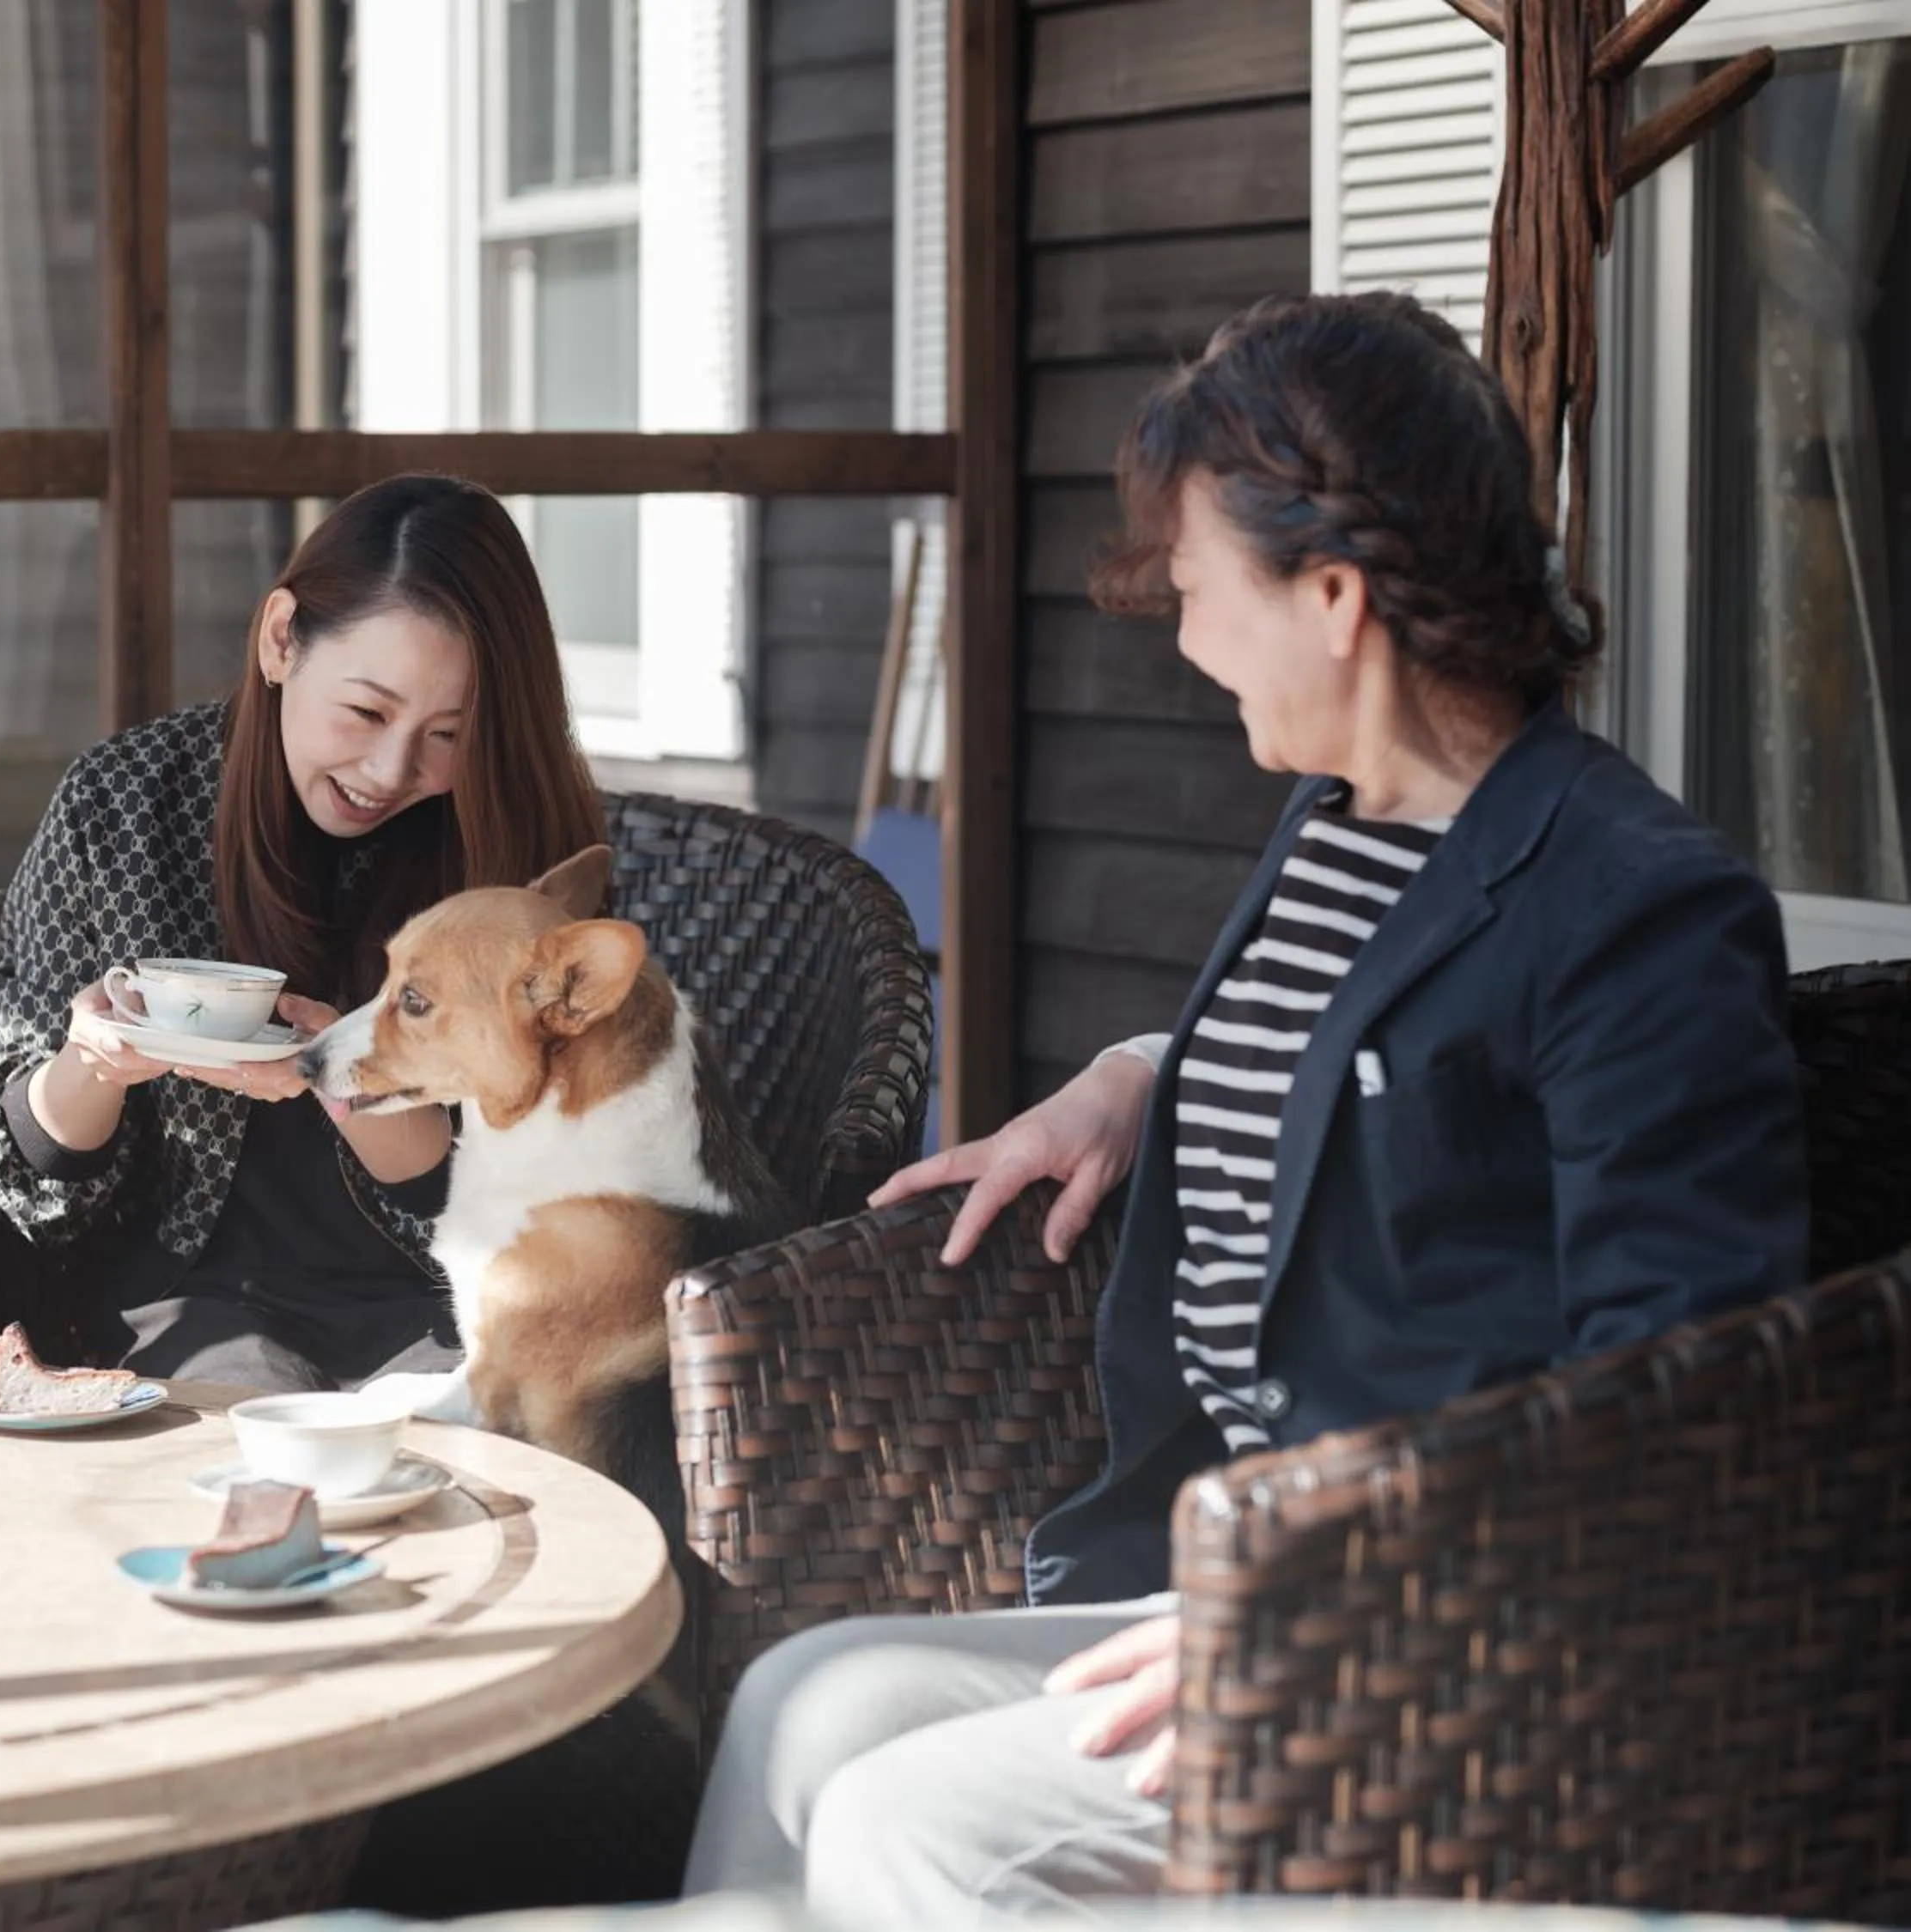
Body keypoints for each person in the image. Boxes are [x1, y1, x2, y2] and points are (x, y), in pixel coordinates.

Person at [681, 292, 1810, 1927]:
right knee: (811, 1698)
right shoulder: (1347, 819)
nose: (1189, 636)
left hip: (1444, 1643)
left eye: (1205, 588)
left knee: (910, 1829)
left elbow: (1683, 1391)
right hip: (1224, 1561)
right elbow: (1382, 1047)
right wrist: (1145, 1078)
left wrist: (1334, 1604)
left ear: (1335, 597)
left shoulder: (1637, 906)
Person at [0, 473, 606, 1391]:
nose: (391, 770)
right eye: (368, 712)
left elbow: (540, 1185)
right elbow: (20, 1180)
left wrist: (342, 1078)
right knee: (262, 1441)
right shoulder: (125, 803)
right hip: (199, 1303)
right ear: (280, 641)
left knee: (488, 1454)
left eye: (448, 735)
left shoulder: (514, 847)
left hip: (456, 1297)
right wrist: (95, 1062)